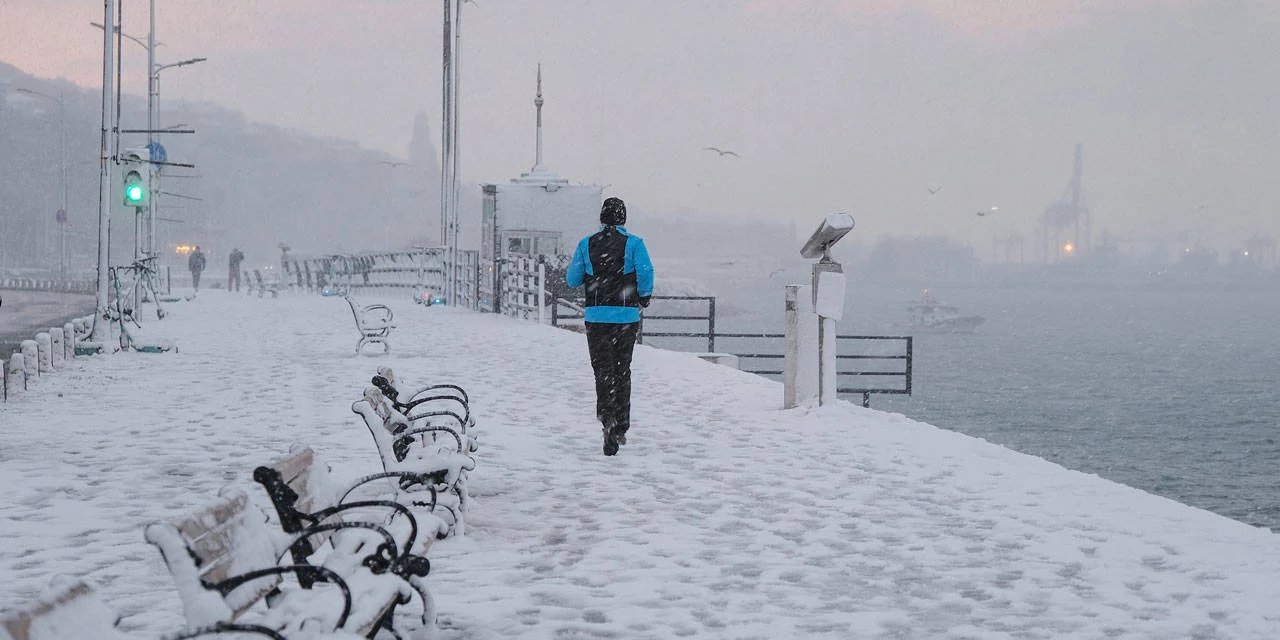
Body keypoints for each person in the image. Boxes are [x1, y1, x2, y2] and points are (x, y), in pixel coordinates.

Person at [566, 197, 655, 456]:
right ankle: (621, 425)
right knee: (622, 369)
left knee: (602, 370)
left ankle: (606, 419)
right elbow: (646, 272)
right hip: (626, 317)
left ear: (602, 218)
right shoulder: (635, 244)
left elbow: (572, 279)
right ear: (624, 218)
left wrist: (592, 275)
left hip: (596, 318)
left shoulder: (586, 244)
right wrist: (644, 296)